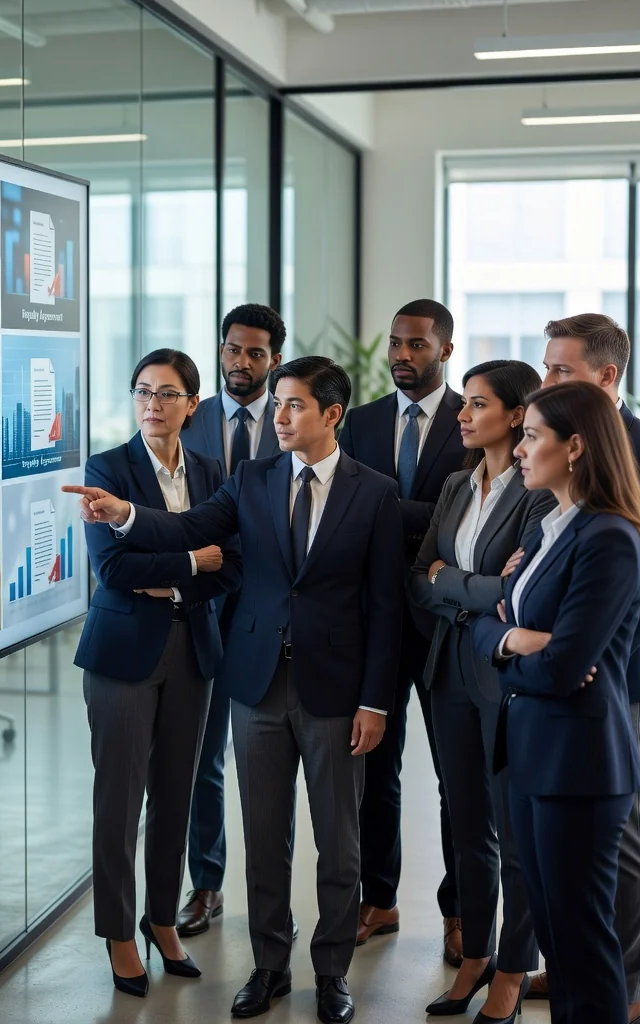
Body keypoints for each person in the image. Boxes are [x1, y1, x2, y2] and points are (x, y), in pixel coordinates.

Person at [66, 356, 404, 1024]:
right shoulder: (251, 478)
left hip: (337, 691)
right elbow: (190, 530)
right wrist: (127, 513)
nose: (276, 416)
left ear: (332, 415)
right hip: (256, 684)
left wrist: (376, 701)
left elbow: (385, 605)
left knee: (338, 843)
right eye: (276, 404)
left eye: (293, 406)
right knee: (265, 838)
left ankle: (332, 971)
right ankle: (270, 965)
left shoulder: (374, 492)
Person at [473, 381, 640, 1024]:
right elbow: (489, 623)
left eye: (531, 436)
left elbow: (564, 667)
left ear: (575, 446)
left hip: (578, 764)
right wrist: (513, 639)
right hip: (533, 753)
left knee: (582, 947)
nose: (517, 449)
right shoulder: (553, 528)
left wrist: (510, 645)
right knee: (555, 936)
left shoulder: (608, 537)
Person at [525, 315, 640, 1024]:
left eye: (559, 371)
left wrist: (585, 648)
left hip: (615, 675)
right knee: (575, 859)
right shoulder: (561, 470)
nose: (546, 380)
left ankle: (621, 988)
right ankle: (580, 972)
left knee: (617, 841)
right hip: (572, 662)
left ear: (606, 376)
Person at [73, 348, 242, 998]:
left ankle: (162, 919)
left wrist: (175, 569)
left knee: (177, 794)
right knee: (118, 802)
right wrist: (192, 562)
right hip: (121, 658)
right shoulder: (105, 468)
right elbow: (113, 571)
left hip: (193, 651)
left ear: (192, 405)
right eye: (143, 391)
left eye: (168, 393)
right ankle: (119, 933)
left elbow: (232, 565)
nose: (152, 404)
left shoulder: (210, 471)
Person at [408, 360, 555, 1024]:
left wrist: (454, 582)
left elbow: (516, 595)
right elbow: (419, 575)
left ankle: (512, 970)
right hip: (448, 673)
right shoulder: (456, 485)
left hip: (504, 681)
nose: (462, 416)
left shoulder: (538, 494)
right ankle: (473, 955)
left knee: (515, 834)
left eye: (476, 404)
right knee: (465, 824)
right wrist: (471, 589)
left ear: (518, 414)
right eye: (463, 404)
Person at [338, 298, 465, 962]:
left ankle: (461, 912)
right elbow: (343, 508)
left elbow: (464, 517)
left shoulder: (472, 420)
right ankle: (378, 899)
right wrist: (414, 513)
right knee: (375, 770)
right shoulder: (358, 423)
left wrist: (385, 505)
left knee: (455, 776)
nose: (401, 356)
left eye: (416, 345)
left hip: (445, 624)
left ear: (444, 349)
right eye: (395, 344)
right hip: (375, 623)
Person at [177, 303, 284, 938]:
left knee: (274, 761)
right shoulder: (191, 416)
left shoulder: (294, 416)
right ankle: (207, 884)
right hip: (199, 606)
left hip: (269, 613)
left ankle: (275, 904)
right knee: (202, 756)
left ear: (274, 358)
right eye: (231, 350)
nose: (239, 363)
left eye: (253, 353)